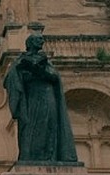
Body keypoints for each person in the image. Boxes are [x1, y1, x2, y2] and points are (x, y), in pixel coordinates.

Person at [4, 33, 78, 163]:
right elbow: (10, 78)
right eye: (38, 39)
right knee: (29, 126)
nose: (42, 41)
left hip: (48, 95)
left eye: (42, 39)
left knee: (50, 123)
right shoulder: (20, 60)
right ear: (30, 43)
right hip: (31, 97)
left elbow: (54, 77)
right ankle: (30, 156)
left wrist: (40, 71)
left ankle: (50, 156)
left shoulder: (46, 61)